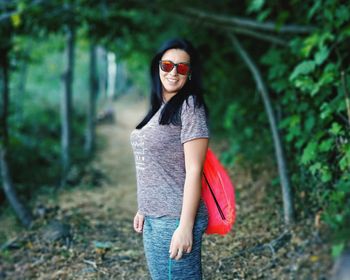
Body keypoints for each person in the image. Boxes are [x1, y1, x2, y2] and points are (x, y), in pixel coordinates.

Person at [130, 38, 210, 280]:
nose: (173, 72)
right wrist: (144, 206)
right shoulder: (159, 108)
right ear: (158, 67)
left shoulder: (190, 105)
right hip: (154, 216)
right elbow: (156, 165)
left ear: (189, 73)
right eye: (167, 65)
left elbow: (194, 170)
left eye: (182, 67)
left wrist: (185, 226)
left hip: (175, 218)